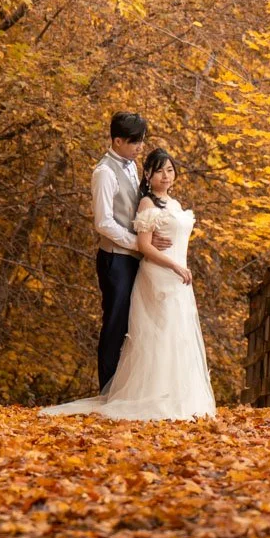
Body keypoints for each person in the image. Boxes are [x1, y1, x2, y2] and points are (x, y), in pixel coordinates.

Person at [43, 146, 217, 421]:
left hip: (179, 277)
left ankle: (177, 396)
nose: (166, 176)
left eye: (170, 170)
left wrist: (180, 267)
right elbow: (145, 246)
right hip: (160, 273)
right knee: (158, 335)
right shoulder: (147, 204)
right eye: (159, 171)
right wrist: (173, 265)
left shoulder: (172, 203)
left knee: (178, 335)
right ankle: (151, 396)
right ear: (147, 174)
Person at [84, 112, 170, 391]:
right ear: (117, 140)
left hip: (134, 258)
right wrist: (139, 243)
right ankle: (106, 390)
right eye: (133, 141)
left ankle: (127, 390)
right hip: (115, 259)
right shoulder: (104, 172)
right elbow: (103, 222)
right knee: (115, 324)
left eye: (141, 140)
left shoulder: (132, 166)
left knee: (136, 323)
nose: (139, 147)